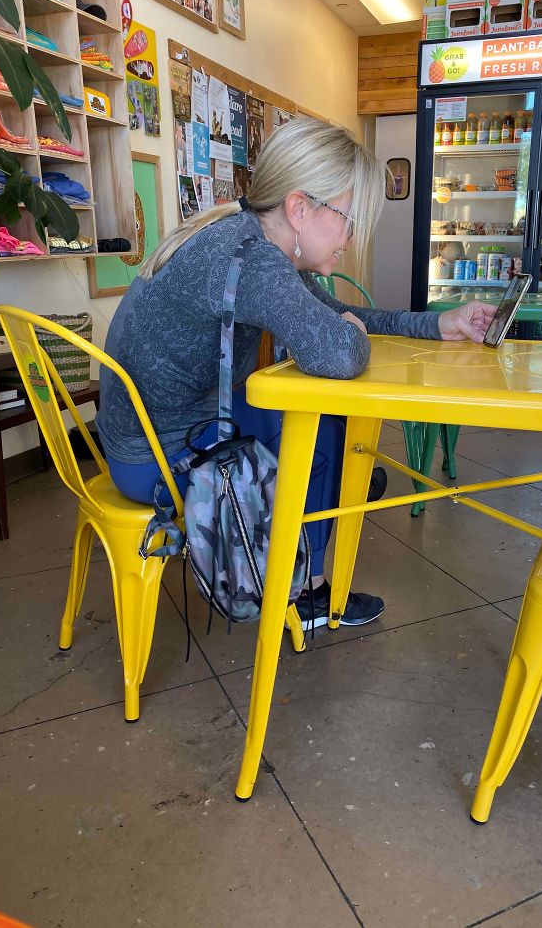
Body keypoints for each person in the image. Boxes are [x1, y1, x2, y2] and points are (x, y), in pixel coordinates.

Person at [97, 119, 496, 631]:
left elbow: (340, 319)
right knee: (323, 425)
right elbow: (339, 353)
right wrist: (347, 332)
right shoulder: (254, 261)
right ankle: (305, 590)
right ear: (300, 208)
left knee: (313, 424)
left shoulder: (246, 237)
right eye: (350, 221)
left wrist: (438, 323)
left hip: (148, 433)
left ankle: (324, 497)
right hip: (154, 459)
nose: (351, 240)